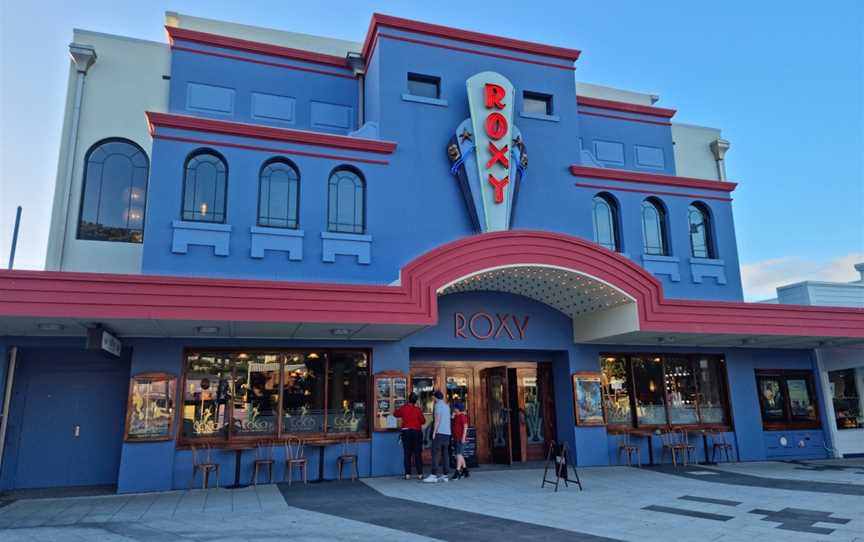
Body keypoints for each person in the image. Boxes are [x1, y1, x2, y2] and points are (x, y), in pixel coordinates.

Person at [394, 392, 425, 480]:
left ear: (408, 399)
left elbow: (395, 414)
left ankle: (407, 474)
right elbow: (423, 421)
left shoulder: (404, 408)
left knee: (407, 454)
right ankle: (420, 474)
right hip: (417, 433)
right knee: (417, 454)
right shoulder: (418, 409)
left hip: (406, 432)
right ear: (416, 401)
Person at [422, 390, 451, 483]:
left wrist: (434, 432)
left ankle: (433, 475)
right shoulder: (447, 406)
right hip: (447, 433)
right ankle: (445, 475)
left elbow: (437, 420)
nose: (432, 398)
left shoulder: (438, 405)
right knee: (445, 454)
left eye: (433, 397)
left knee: (435, 453)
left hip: (439, 433)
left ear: (435, 397)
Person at [450, 401, 470, 480]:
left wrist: (463, 437)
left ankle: (457, 472)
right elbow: (452, 425)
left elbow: (465, 427)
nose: (454, 409)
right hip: (456, 438)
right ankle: (465, 471)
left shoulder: (462, 416)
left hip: (460, 439)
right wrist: (452, 417)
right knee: (460, 455)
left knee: (458, 455)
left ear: (458, 408)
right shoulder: (456, 416)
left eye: (455, 407)